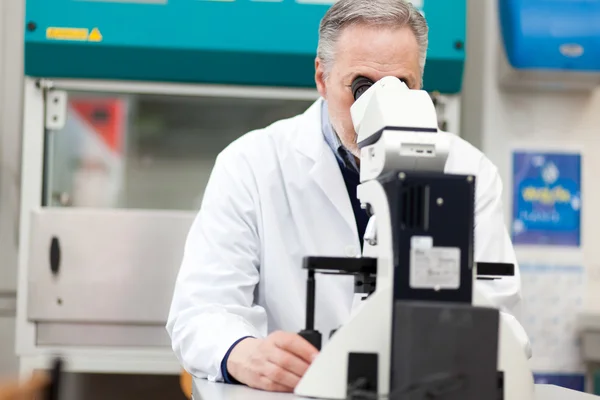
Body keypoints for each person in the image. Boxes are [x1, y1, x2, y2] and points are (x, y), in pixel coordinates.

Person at [167, 0, 530, 393]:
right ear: (322, 78)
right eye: (362, 86)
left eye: (400, 86)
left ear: (420, 84)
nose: (377, 106)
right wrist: (241, 350)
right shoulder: (251, 164)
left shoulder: (468, 171)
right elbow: (201, 309)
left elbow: (498, 316)